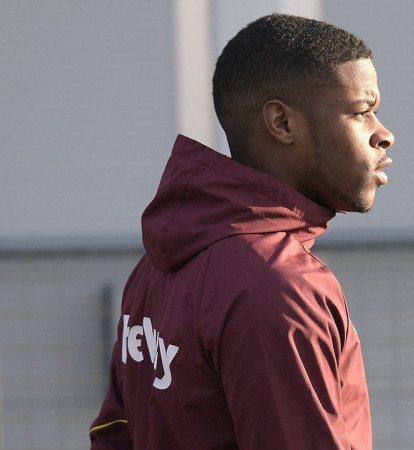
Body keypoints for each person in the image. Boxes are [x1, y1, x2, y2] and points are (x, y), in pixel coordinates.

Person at [89, 13, 394, 449]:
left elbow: (113, 434)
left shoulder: (154, 267)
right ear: (282, 124)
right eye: (362, 112)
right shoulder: (279, 286)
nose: (384, 134)